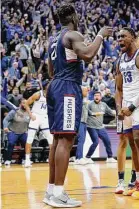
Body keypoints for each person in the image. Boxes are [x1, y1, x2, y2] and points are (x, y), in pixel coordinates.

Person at [46, 4, 112, 208]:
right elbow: (88, 55)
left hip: (54, 85)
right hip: (67, 87)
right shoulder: (73, 35)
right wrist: (100, 35)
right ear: (74, 16)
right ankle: (58, 193)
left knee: (58, 139)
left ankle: (51, 191)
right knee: (66, 139)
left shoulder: (53, 40)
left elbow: (49, 71)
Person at [115, 27, 139, 199]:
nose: (120, 39)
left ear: (133, 38)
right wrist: (119, 108)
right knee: (131, 144)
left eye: (124, 36)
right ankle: (138, 183)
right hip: (126, 107)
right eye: (118, 37)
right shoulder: (120, 60)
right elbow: (118, 88)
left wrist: (131, 107)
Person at [23, 81, 53, 167]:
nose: (50, 86)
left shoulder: (52, 95)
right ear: (45, 87)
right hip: (35, 116)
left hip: (44, 117)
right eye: (48, 85)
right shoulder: (38, 94)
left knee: (51, 138)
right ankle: (27, 159)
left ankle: (51, 158)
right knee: (30, 138)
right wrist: (31, 114)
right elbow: (26, 103)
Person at [85, 91, 117, 163]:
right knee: (95, 142)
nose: (96, 97)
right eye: (95, 95)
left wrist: (117, 111)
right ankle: (87, 157)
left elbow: (111, 112)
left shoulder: (104, 104)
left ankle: (110, 157)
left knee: (107, 141)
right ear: (93, 97)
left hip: (101, 127)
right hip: (91, 126)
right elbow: (86, 113)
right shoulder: (89, 104)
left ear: (100, 97)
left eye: (98, 96)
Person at [3, 98, 32, 166]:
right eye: (23, 103)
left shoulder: (29, 112)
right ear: (20, 104)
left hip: (23, 132)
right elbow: (5, 120)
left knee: (27, 144)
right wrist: (5, 127)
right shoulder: (14, 111)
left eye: (26, 103)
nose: (25, 105)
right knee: (11, 143)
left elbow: (32, 122)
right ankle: (8, 160)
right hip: (13, 131)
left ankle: (24, 159)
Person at [75, 86, 91, 165]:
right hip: (80, 122)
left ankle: (78, 158)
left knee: (82, 140)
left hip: (84, 122)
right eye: (85, 91)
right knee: (81, 140)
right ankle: (80, 158)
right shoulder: (79, 99)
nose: (87, 92)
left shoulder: (85, 100)